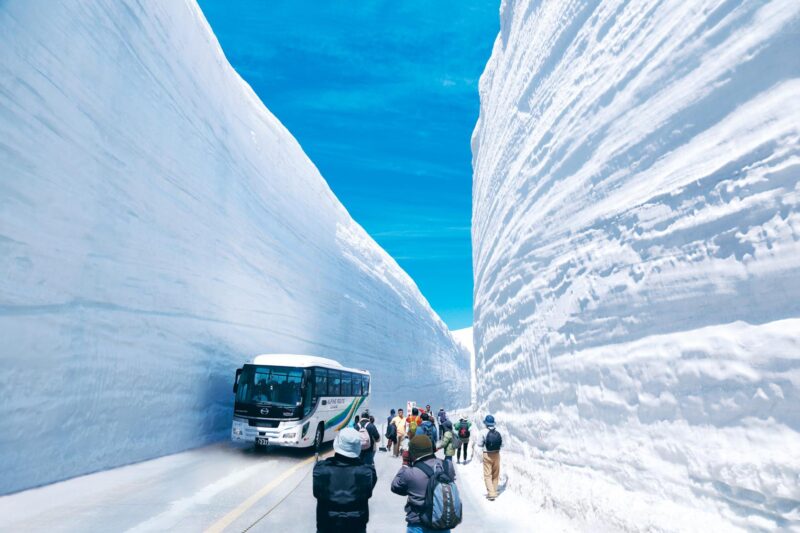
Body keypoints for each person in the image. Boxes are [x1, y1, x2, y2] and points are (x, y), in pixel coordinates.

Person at [313, 427, 377, 533]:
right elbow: (368, 490)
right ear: (357, 448)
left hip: (326, 527)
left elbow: (316, 493)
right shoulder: (368, 472)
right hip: (356, 528)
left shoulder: (320, 469)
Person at [391, 434, 456, 533]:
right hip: (442, 523)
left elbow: (396, 487)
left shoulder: (411, 472)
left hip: (418, 524)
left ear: (413, 452)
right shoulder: (448, 466)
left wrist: (405, 464)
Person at [477, 414, 503, 501]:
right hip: (497, 454)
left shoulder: (482, 432)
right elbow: (502, 444)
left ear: (486, 423)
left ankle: (491, 493)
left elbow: (479, 444)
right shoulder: (498, 432)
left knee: (487, 474)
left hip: (487, 454)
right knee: (496, 473)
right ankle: (494, 490)